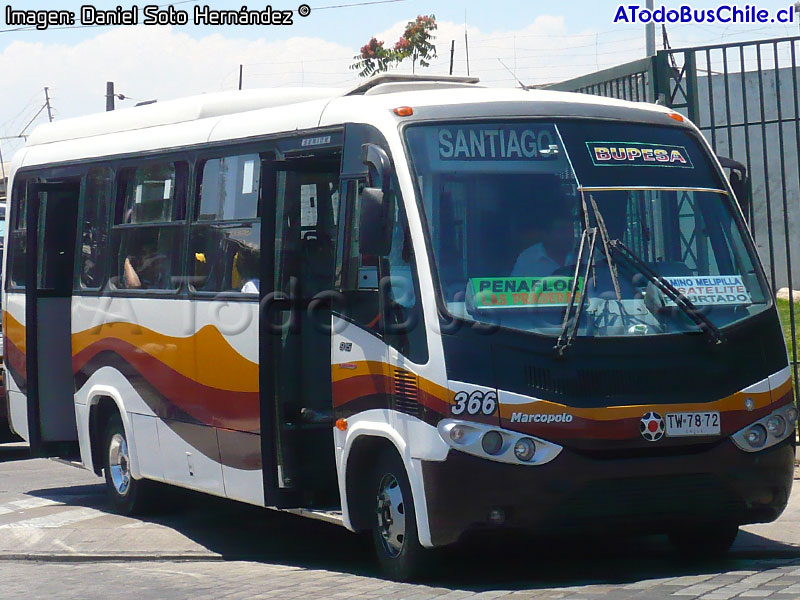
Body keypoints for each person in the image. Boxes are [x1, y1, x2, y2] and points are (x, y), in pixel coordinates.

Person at [511, 202, 577, 277]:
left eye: (571, 229)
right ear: (546, 234)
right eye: (562, 230)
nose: (569, 234)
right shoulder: (527, 259)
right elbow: (515, 286)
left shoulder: (586, 252)